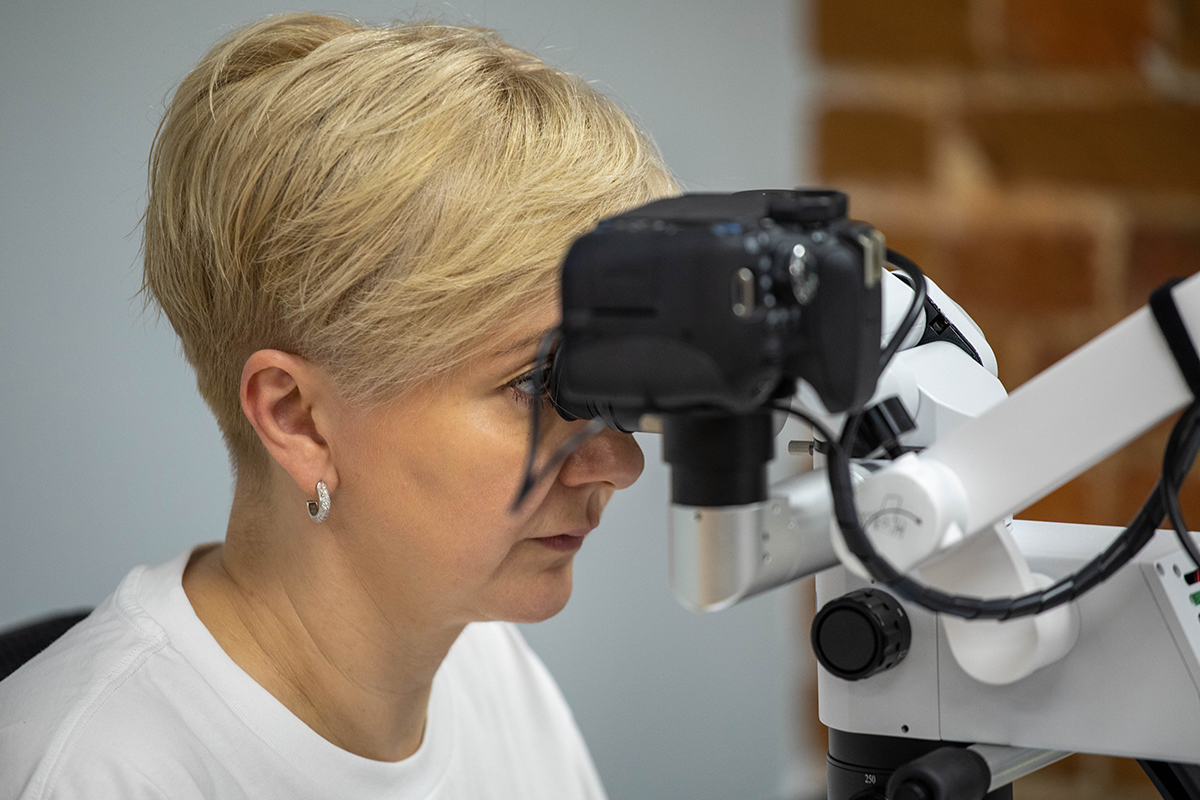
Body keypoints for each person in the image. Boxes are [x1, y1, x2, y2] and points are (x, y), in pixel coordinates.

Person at [0, 12, 675, 799]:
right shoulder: (91, 774)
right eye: (533, 385)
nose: (619, 463)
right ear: (297, 420)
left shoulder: (489, 671)